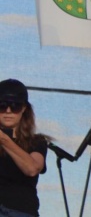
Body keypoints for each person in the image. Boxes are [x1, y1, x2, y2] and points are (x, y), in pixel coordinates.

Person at [0, 79, 47, 217]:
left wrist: (4, 140)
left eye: (15, 106)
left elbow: (32, 169)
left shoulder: (36, 141)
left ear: (24, 109)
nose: (8, 111)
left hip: (20, 211)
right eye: (2, 105)